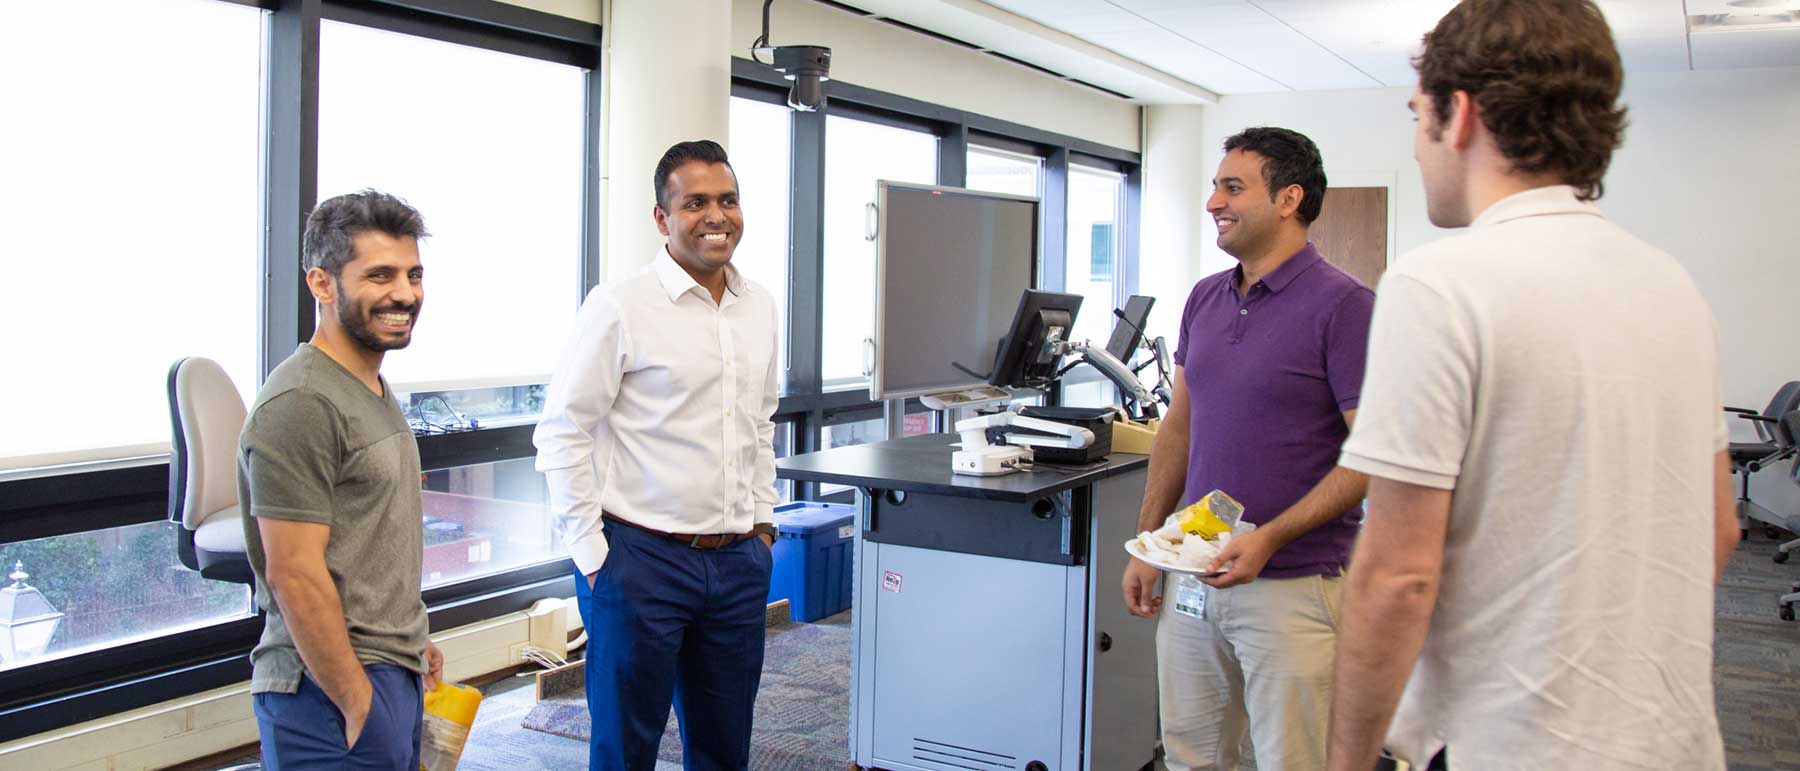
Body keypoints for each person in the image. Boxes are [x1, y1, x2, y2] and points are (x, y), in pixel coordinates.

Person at [1325, 2, 1735, 769]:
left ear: (1463, 116)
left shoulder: (1440, 284)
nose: (1416, 148)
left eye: (1418, 117)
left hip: (1511, 744)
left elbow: (1397, 576)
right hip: (1670, 739)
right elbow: (1718, 529)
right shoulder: (1672, 284)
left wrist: (1346, 760)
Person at [1120, 126, 1374, 770]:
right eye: (1214, 186)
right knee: (1191, 757)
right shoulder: (1205, 297)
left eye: (1233, 187)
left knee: (1290, 761)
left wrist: (1271, 537)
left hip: (1292, 584)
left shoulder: (1346, 307)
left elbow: (1371, 454)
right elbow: (1178, 426)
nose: (1213, 202)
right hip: (1194, 571)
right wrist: (1150, 544)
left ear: (1289, 199)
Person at [534, 139, 780, 770]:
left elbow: (760, 423)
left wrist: (763, 524)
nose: (716, 215)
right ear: (662, 217)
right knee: (626, 750)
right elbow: (562, 431)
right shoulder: (620, 305)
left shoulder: (760, 307)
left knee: (725, 749)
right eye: (695, 202)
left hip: (736, 564)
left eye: (727, 200)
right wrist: (592, 555)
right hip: (639, 563)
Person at [241, 189, 444, 770]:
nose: (405, 293)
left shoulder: (371, 387)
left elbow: (368, 539)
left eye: (413, 274)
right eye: (379, 275)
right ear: (322, 284)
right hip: (325, 686)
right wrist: (355, 699)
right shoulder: (302, 402)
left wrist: (410, 639)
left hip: (386, 668)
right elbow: (294, 573)